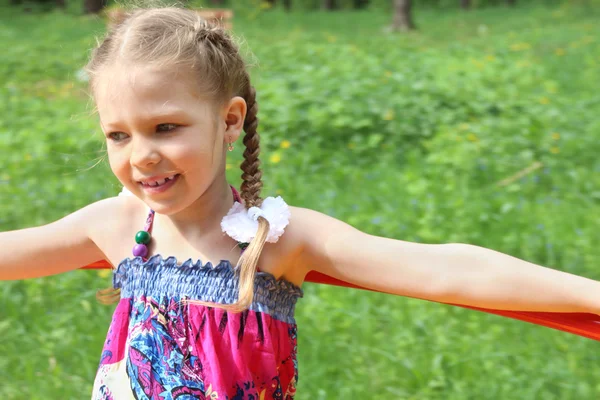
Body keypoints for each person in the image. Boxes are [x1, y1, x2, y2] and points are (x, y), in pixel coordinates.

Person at [1, 6, 598, 400]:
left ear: (228, 120)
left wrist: (589, 297)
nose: (142, 155)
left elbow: (445, 267)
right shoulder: (117, 224)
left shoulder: (280, 240)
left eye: (165, 127)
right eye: (119, 135)